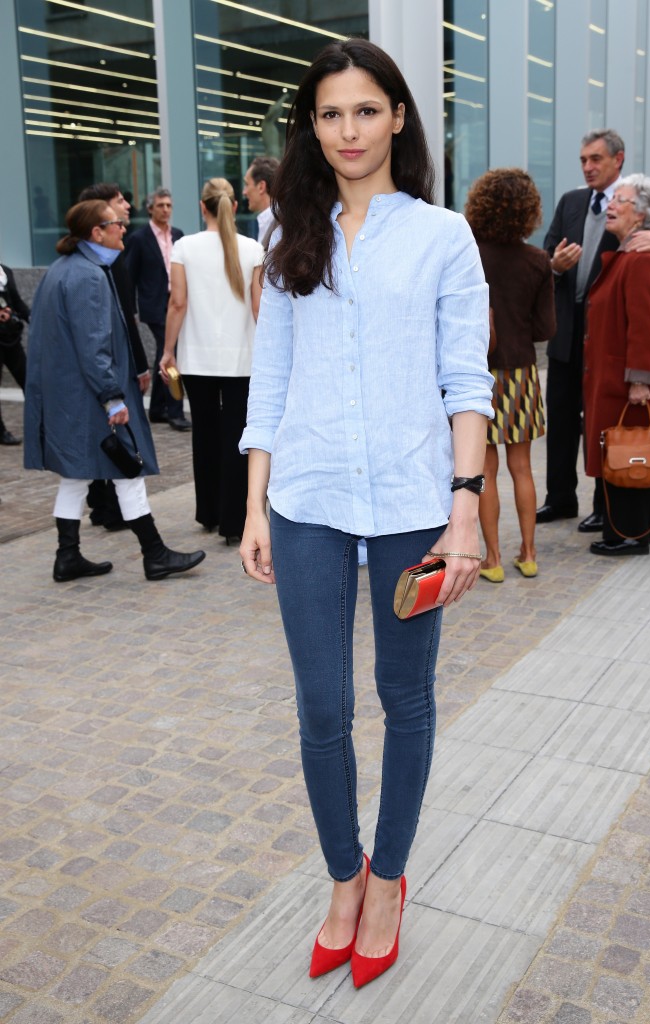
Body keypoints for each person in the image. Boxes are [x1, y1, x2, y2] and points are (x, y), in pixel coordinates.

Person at [239, 39, 492, 988]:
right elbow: (271, 381)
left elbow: (465, 380)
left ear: (397, 118)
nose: (348, 130)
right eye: (330, 113)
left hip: (409, 503)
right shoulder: (284, 238)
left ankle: (389, 879)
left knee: (405, 697)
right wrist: (256, 504)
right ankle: (341, 878)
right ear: (312, 126)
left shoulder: (440, 235)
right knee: (319, 706)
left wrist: (462, 512)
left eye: (366, 110)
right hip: (306, 498)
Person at [23, 199, 206, 582]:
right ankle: (154, 555)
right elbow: (94, 345)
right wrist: (112, 397)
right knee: (127, 470)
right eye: (115, 224)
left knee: (76, 475)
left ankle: (67, 556)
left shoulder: (63, 270)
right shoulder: (89, 277)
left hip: (70, 396)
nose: (123, 227)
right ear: (96, 232)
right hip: (91, 396)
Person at [538, 129, 650, 533]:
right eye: (583, 159)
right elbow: (549, 254)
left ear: (618, 160)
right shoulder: (571, 201)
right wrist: (556, 265)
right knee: (563, 418)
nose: (588, 167)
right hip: (569, 332)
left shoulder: (640, 203)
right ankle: (560, 497)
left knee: (609, 420)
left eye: (596, 159)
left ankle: (606, 506)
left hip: (614, 336)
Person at [465, 169, 556, 581]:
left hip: (479, 376)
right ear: (529, 211)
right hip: (521, 375)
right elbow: (545, 330)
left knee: (485, 470)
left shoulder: (470, 254)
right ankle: (530, 553)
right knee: (522, 468)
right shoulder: (538, 261)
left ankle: (494, 559)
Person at [160, 178, 263, 542]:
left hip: (196, 358)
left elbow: (177, 303)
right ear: (234, 207)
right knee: (238, 436)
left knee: (204, 433)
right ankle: (235, 522)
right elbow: (258, 308)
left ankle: (208, 512)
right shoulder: (251, 248)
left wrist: (168, 350)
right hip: (242, 359)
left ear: (203, 208)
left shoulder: (184, 247)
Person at [583, 175, 650, 556]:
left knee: (630, 454)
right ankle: (647, 529)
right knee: (634, 449)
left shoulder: (641, 260)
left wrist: (640, 380)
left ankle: (628, 535)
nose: (611, 204)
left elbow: (646, 326)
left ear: (640, 215)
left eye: (620, 200)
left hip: (630, 377)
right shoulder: (630, 254)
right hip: (618, 372)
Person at [78, 182, 151, 529]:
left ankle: (105, 505)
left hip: (109, 364)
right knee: (115, 436)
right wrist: (139, 365)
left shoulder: (107, 253)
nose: (126, 206)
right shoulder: (104, 261)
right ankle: (111, 508)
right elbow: (123, 318)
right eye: (119, 202)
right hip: (111, 367)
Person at [125, 188, 191, 431]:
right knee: (170, 350)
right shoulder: (138, 239)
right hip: (154, 305)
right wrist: (129, 311)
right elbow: (129, 277)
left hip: (176, 300)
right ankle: (175, 412)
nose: (165, 210)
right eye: (160, 205)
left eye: (168, 205)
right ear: (150, 208)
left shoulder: (178, 235)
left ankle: (156, 409)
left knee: (163, 354)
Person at [0, 263, 30, 445]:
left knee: (28, 380)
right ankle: (0, 431)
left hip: (11, 337)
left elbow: (17, 301)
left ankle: (40, 425)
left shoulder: (6, 271)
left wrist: (31, 316)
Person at [242, 156, 279, 246]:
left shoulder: (280, 224)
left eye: (247, 184)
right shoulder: (271, 220)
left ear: (261, 187)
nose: (244, 192)